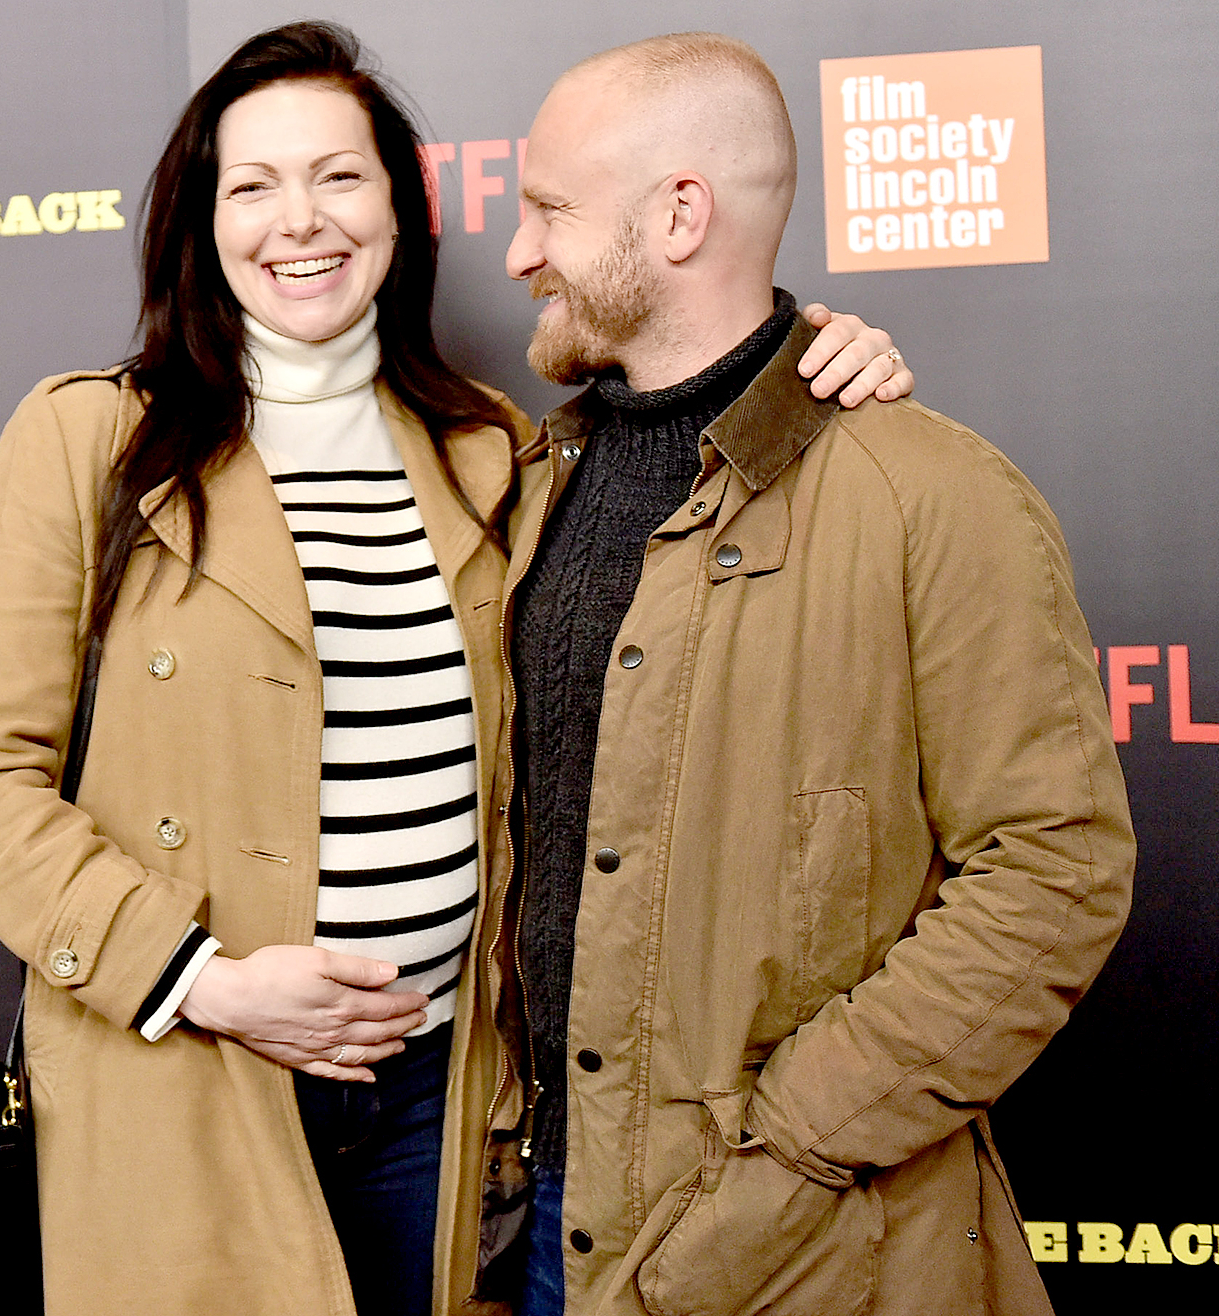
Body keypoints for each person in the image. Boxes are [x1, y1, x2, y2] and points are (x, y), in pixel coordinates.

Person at [0, 21, 909, 1316]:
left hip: (431, 1116)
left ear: (398, 206)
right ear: (202, 222)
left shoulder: (490, 450)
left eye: (338, 176)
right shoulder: (89, 438)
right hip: (189, 1091)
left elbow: (694, 403)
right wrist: (201, 980)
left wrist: (823, 356)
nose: (297, 221)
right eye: (251, 185)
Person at [436, 33, 1137, 1316]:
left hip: (800, 1248)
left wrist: (790, 1146)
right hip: (539, 1227)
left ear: (681, 213)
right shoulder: (527, 484)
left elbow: (1055, 870)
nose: (518, 253)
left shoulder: (938, 496)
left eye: (547, 212)